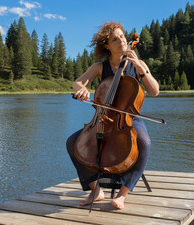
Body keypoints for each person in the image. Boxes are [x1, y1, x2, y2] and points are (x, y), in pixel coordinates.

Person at [66, 22, 159, 209]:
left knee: (144, 143)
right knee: (71, 142)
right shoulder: (100, 67)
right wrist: (82, 90)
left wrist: (141, 69)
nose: (121, 40)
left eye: (122, 37)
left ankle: (123, 193)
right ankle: (96, 189)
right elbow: (78, 83)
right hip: (103, 118)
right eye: (114, 39)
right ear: (106, 46)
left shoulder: (138, 65)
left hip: (129, 118)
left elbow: (154, 90)